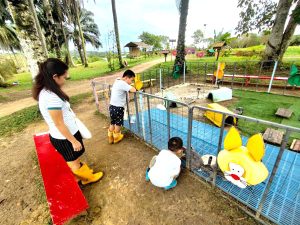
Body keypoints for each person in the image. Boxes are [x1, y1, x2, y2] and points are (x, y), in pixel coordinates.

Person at [32, 58, 103, 185]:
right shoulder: (51, 97)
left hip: (65, 134)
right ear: (55, 76)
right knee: (73, 160)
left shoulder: (47, 90)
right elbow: (59, 123)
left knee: (74, 158)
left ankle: (82, 175)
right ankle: (87, 179)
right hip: (65, 137)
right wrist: (73, 141)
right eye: (64, 77)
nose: (65, 80)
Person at [108, 69, 136, 144]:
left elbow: (120, 79)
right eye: (131, 80)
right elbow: (133, 90)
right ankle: (116, 137)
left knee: (112, 122)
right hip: (118, 107)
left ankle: (110, 137)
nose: (131, 82)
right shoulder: (123, 84)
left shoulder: (117, 81)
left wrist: (128, 84)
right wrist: (135, 87)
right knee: (118, 123)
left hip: (112, 106)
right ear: (126, 78)